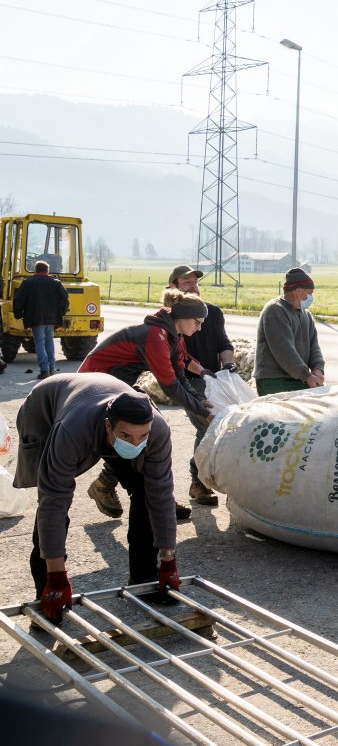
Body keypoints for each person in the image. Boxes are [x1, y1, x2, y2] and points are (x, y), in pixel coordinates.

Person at [13, 374, 181, 623]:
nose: (135, 444)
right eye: (126, 437)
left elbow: (161, 493)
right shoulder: (71, 431)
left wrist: (168, 559)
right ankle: (47, 592)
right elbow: (54, 501)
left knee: (146, 491)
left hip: (99, 404)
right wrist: (57, 577)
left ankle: (144, 579)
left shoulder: (156, 430)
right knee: (52, 498)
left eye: (142, 437)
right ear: (108, 427)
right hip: (46, 410)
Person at [80, 288, 213, 521]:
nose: (199, 328)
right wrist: (202, 412)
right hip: (94, 384)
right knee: (145, 434)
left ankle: (110, 485)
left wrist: (202, 402)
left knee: (150, 433)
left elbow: (181, 376)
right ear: (183, 317)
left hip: (118, 382)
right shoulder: (156, 336)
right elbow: (170, 385)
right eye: (198, 322)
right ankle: (155, 498)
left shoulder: (174, 336)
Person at [168, 264, 235, 507]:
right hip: (187, 382)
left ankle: (201, 481)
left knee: (216, 428)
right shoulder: (169, 319)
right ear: (173, 288)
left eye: (195, 282)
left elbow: (224, 344)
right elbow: (177, 358)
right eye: (186, 283)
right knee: (210, 427)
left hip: (214, 380)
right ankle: (199, 481)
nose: (193, 286)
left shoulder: (213, 313)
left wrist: (229, 366)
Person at [254, 267, 324, 395]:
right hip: (274, 381)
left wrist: (318, 369)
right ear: (298, 291)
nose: (311, 297)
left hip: (298, 378)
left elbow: (315, 347)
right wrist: (306, 376)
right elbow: (284, 350)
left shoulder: (306, 315)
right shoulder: (275, 310)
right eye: (309, 293)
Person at [12, 260, 69, 379]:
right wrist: (61, 313)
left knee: (40, 343)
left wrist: (18, 314)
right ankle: (52, 369)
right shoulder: (56, 283)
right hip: (52, 319)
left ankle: (44, 371)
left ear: (35, 270)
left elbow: (19, 300)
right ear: (47, 271)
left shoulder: (28, 282)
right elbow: (65, 299)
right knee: (49, 342)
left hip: (36, 318)